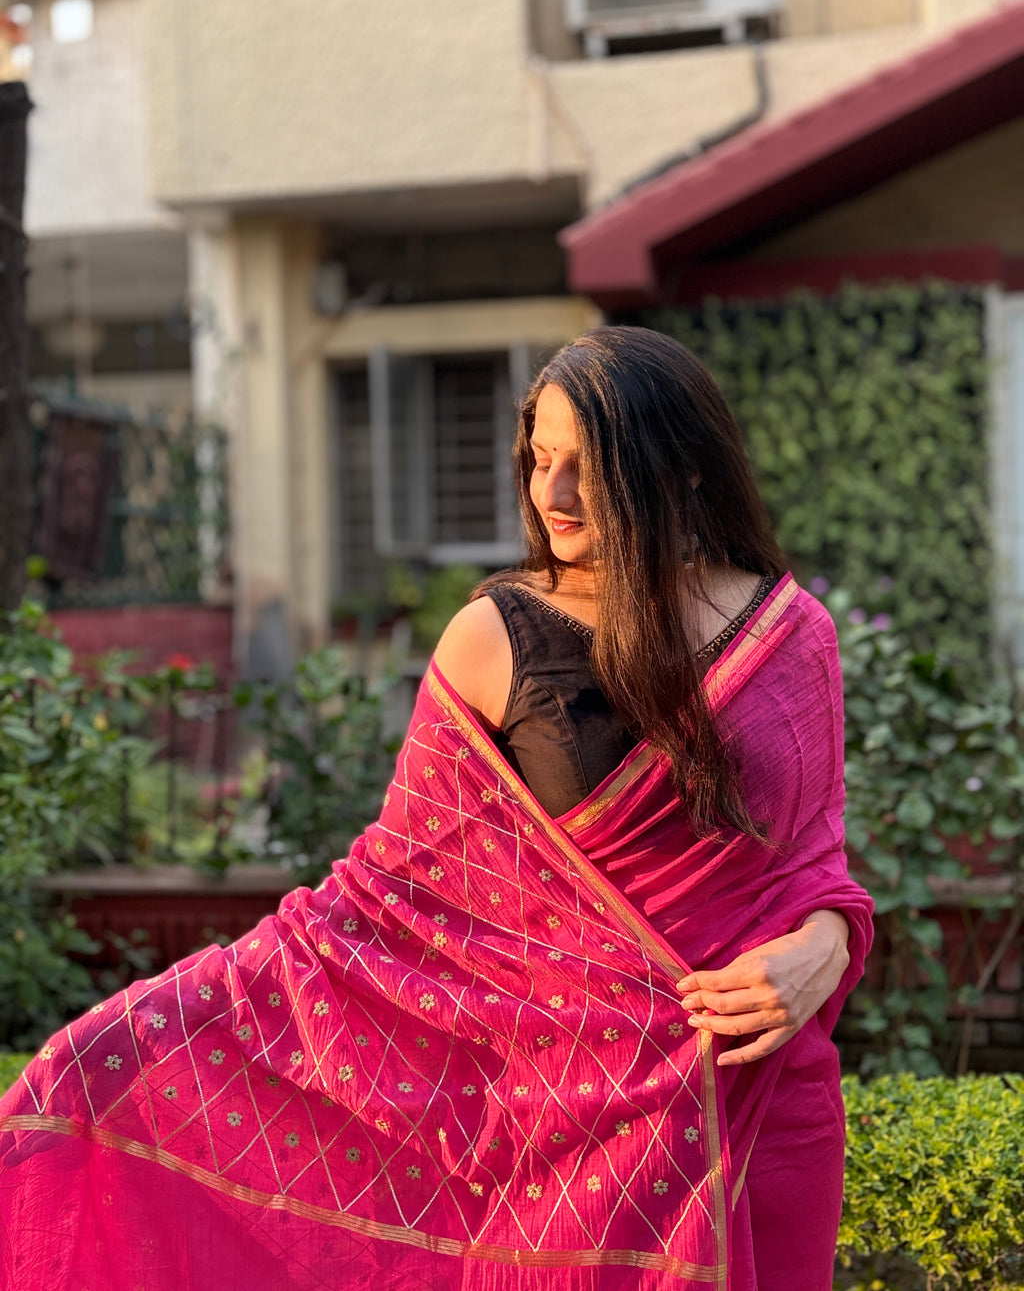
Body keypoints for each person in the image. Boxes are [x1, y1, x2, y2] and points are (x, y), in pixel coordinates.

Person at [0, 326, 871, 1290]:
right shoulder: (497, 638)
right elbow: (380, 906)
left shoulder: (792, 636)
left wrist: (821, 948)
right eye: (540, 459)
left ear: (686, 471)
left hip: (763, 1104)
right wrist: (130, 1042)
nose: (554, 495)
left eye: (591, 465)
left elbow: (818, 868)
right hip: (566, 1137)